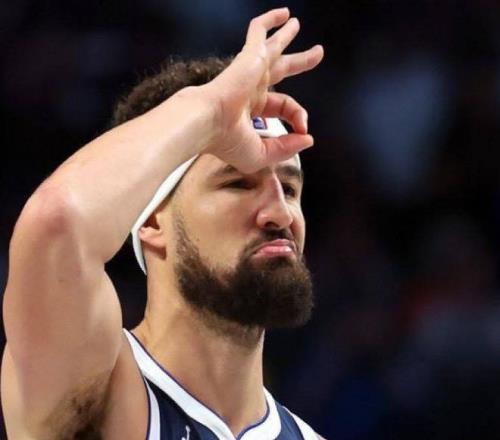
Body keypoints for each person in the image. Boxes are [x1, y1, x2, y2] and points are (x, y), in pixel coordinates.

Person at [1, 8, 325, 440]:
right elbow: (58, 222)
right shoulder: (98, 390)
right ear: (152, 220)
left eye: (288, 188)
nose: (280, 214)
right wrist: (211, 109)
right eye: (238, 184)